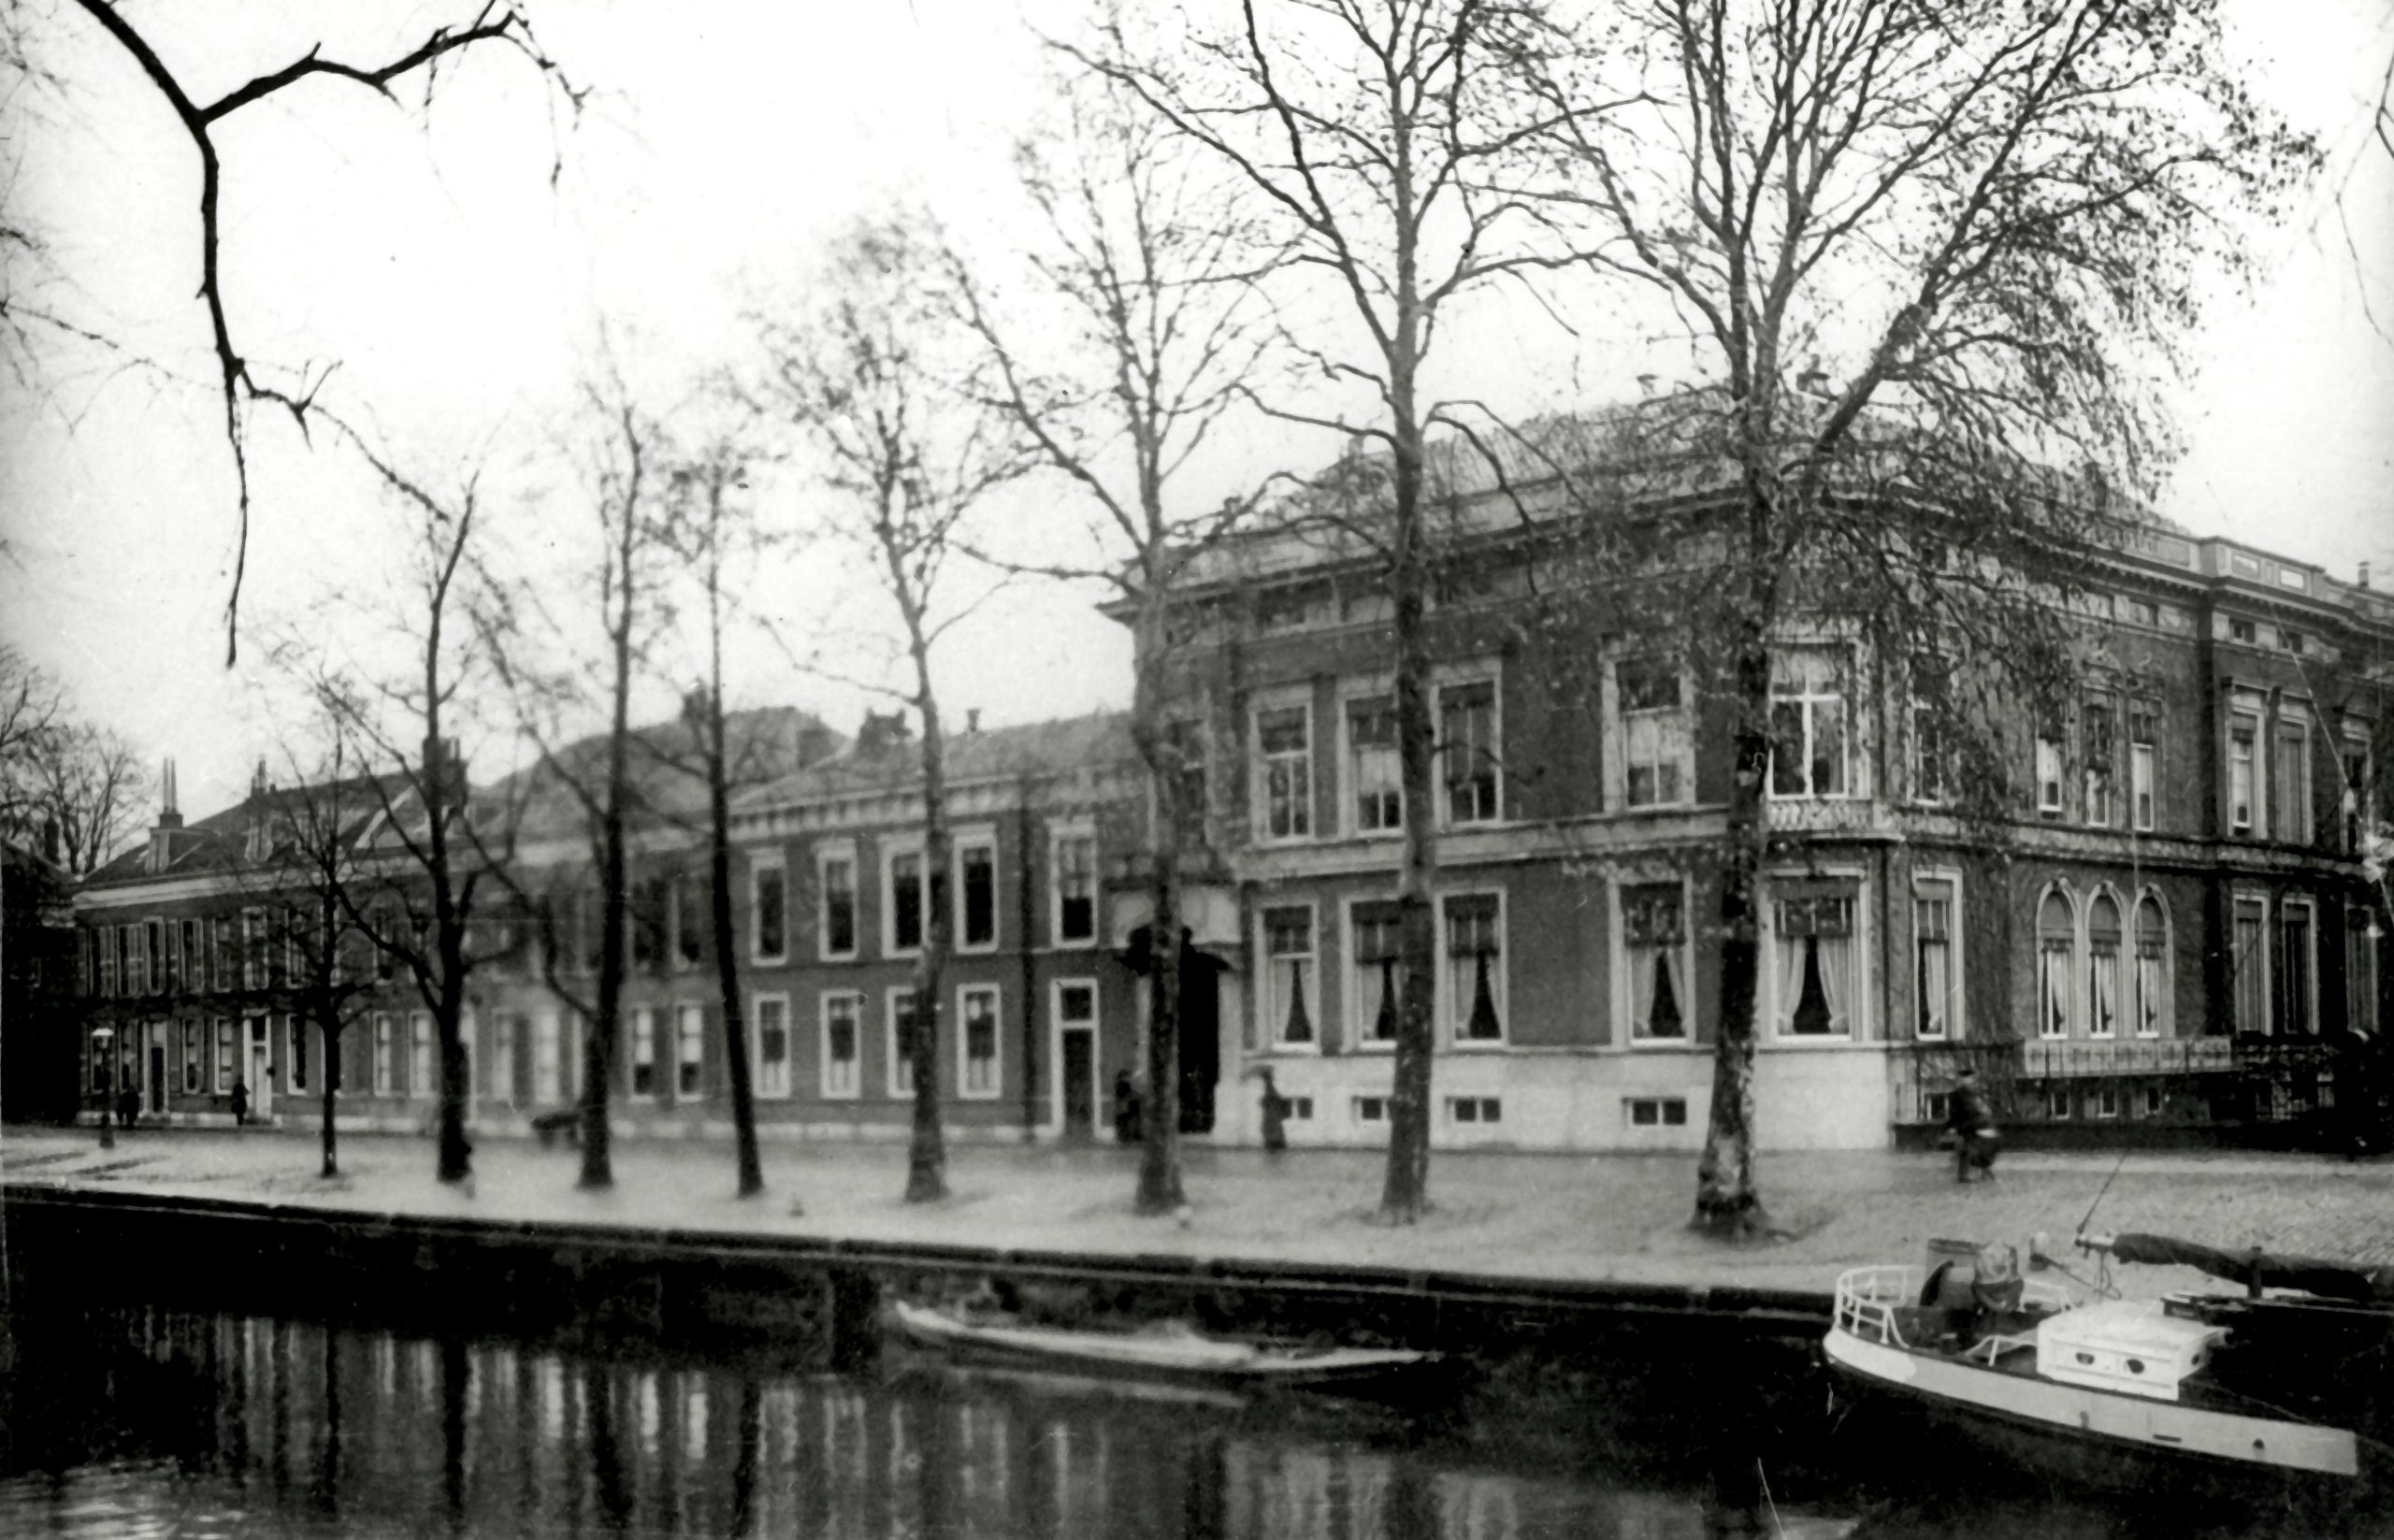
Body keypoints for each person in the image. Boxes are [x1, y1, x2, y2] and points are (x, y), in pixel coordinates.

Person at [1948, 1068, 1998, 1183]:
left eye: (1969, 1079)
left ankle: (1976, 1171)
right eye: (1965, 1079)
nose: (1967, 1081)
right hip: (1969, 1126)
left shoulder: (1977, 1093)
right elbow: (1956, 1113)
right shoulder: (1958, 1095)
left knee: (1970, 1149)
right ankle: (1969, 1174)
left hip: (1977, 1125)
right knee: (1968, 1150)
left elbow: (1984, 1109)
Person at [1256, 1066, 1291, 1153]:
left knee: (1270, 1090)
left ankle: (1267, 1075)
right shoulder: (1272, 1100)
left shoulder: (1272, 1100)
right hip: (1273, 1114)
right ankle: (1267, 1075)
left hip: (1272, 1114)